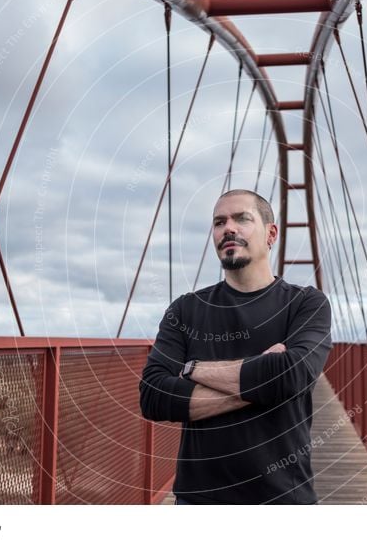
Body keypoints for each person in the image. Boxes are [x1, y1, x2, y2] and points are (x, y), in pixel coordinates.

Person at [138, 188, 332, 505]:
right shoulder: (185, 310)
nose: (228, 227)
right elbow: (153, 396)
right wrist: (262, 382)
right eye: (219, 222)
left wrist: (190, 370)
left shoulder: (305, 304)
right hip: (198, 500)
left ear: (271, 234)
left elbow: (291, 375)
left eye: (242, 218)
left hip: (283, 498)